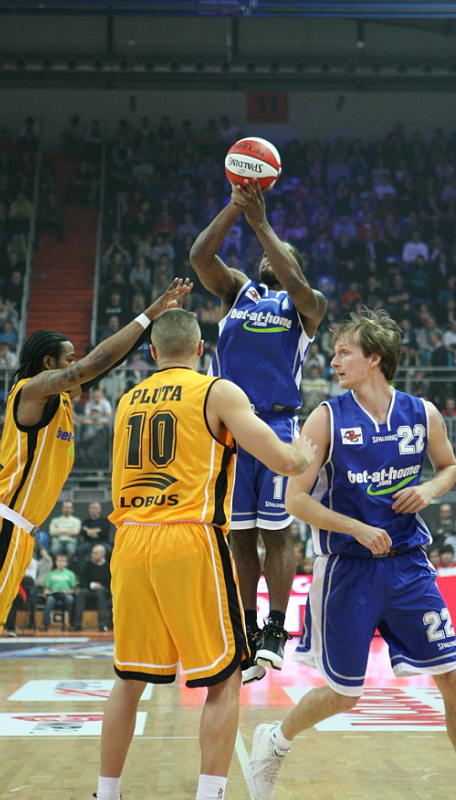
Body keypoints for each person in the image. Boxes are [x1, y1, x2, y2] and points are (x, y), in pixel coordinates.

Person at [246, 308, 456, 800]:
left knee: (452, 674)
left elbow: (448, 467)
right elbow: (294, 500)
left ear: (375, 359)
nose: (333, 361)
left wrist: (428, 489)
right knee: (345, 693)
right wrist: (356, 528)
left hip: (409, 566)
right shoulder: (325, 419)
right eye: (334, 352)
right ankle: (275, 739)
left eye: (344, 352)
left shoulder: (422, 413)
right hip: (348, 569)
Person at [96, 307, 316, 800]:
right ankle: (210, 794)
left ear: (153, 351)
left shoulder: (128, 399)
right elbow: (281, 459)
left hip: (129, 541)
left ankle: (106, 792)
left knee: (128, 680)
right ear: (201, 349)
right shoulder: (217, 391)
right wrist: (303, 452)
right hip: (188, 536)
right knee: (225, 679)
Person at [190, 179, 326, 681]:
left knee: (278, 532)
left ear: (293, 265)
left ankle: (275, 627)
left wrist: (263, 224)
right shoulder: (239, 291)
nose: (270, 257)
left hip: (275, 424)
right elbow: (200, 257)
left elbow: (297, 284)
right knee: (240, 536)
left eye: (281, 254)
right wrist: (235, 208)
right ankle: (248, 628)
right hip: (227, 428)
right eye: (266, 252)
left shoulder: (307, 304)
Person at [0, 277, 191, 632]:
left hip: (21, 529)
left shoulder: (61, 399)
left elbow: (107, 363)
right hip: (6, 521)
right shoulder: (32, 391)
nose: (77, 365)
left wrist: (156, 314)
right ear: (48, 362)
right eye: (70, 360)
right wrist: (150, 311)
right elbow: (98, 359)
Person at [72, 544, 111, 631]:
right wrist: (92, 585)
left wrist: (101, 587)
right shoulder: (88, 566)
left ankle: (103, 624)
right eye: (92, 553)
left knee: (100, 594)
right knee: (81, 593)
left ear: (102, 555)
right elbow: (82, 582)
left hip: (105, 591)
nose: (92, 555)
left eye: (95, 553)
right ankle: (77, 624)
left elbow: (111, 583)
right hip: (90, 590)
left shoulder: (109, 567)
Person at [40, 553, 77, 631]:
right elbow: (47, 588)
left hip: (66, 593)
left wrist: (67, 591)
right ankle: (45, 624)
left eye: (63, 561)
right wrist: (45, 593)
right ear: (56, 562)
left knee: (70, 600)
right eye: (59, 561)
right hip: (53, 593)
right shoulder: (51, 573)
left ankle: (72, 623)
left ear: (66, 563)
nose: (61, 563)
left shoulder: (70, 574)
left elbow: (74, 589)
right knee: (49, 600)